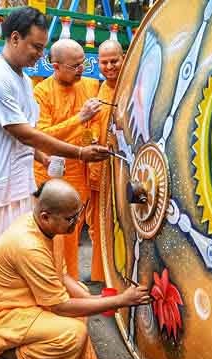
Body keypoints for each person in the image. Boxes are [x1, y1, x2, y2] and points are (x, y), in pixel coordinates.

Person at [0, 7, 110, 355]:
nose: (40, 54)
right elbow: (22, 131)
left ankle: (1, 320)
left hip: (19, 184)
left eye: (42, 48)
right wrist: (78, 154)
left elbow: (30, 136)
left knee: (13, 257)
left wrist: (43, 157)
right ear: (14, 38)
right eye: (36, 47)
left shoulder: (24, 80)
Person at [0, 179, 151, 359]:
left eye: (78, 214)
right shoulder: (28, 246)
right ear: (46, 216)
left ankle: (28, 350)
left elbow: (60, 275)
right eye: (71, 218)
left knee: (81, 293)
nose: (76, 224)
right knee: (73, 333)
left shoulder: (49, 229)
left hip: (22, 304)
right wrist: (120, 301)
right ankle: (6, 358)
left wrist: (96, 299)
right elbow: (60, 306)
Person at [32, 38, 102, 283]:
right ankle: (48, 283)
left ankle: (70, 282)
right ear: (56, 66)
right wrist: (79, 119)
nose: (81, 69)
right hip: (50, 175)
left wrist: (88, 138)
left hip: (77, 173)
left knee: (72, 235)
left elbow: (89, 129)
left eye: (83, 63)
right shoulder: (41, 93)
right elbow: (41, 137)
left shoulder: (90, 86)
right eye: (75, 65)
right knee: (50, 235)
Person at [85, 39, 124, 284]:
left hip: (122, 172)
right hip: (99, 170)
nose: (109, 66)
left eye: (114, 61)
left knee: (119, 225)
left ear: (124, 58)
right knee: (97, 225)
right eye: (104, 62)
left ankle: (120, 274)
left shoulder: (131, 87)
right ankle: (101, 276)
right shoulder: (97, 90)